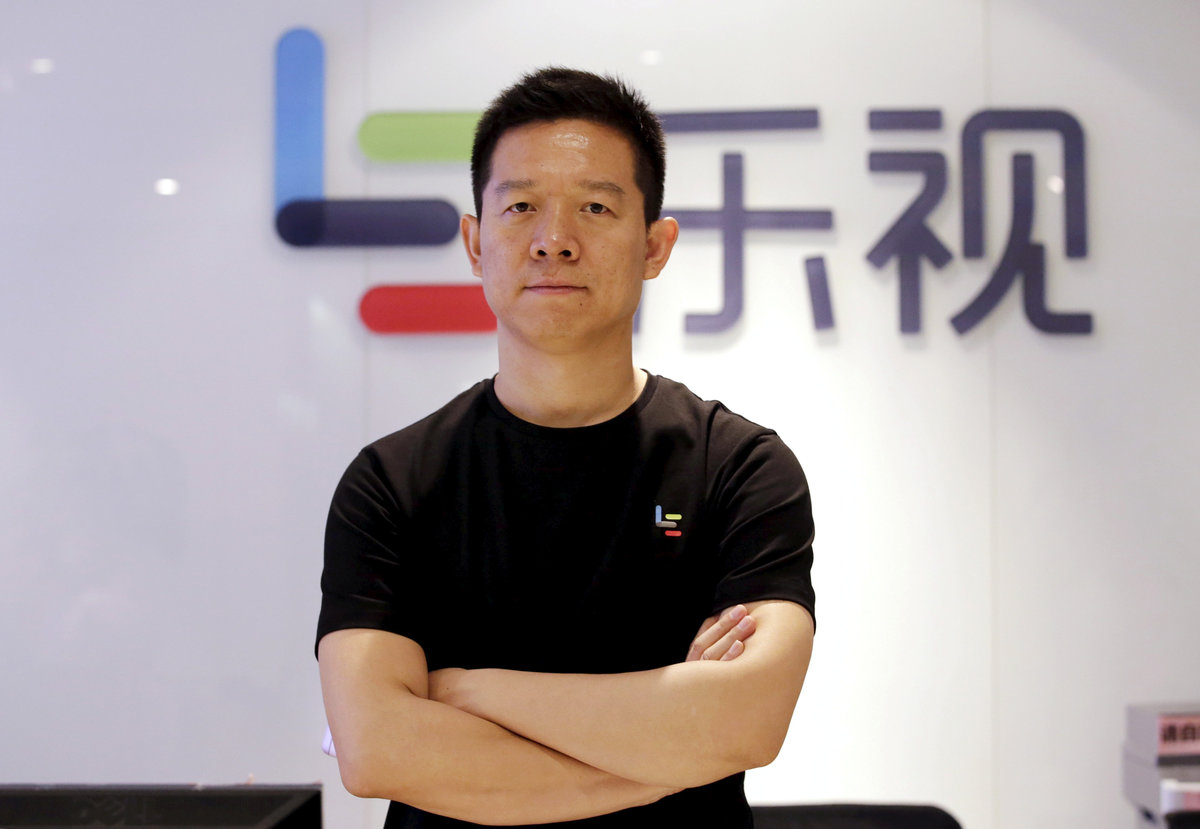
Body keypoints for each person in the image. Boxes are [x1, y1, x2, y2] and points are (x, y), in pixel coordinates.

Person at [316, 67, 816, 828]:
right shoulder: (391, 482)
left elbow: (744, 723)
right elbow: (378, 752)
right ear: (475, 242)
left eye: (595, 207)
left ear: (655, 245)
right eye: (521, 207)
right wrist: (668, 751)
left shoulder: (740, 468)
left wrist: (466, 690)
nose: (554, 240)